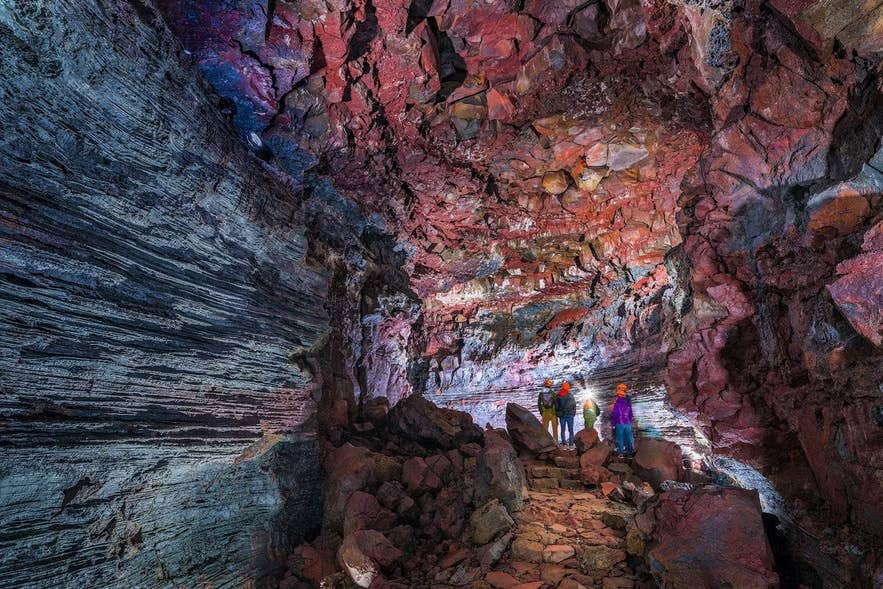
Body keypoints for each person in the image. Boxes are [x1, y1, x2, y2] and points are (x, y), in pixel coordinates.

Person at [610, 383, 634, 458]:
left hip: (619, 423)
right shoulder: (628, 404)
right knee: (628, 438)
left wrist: (613, 424)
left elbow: (614, 415)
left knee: (620, 438)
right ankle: (630, 454)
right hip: (627, 423)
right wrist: (629, 421)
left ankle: (621, 454)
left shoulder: (617, 404)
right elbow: (631, 414)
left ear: (619, 395)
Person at [555, 381, 577, 449]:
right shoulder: (570, 395)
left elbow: (556, 407)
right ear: (567, 388)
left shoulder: (558, 395)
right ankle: (571, 445)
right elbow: (574, 405)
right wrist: (573, 413)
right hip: (570, 415)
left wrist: (558, 414)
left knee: (562, 430)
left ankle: (564, 444)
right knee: (571, 430)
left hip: (562, 416)